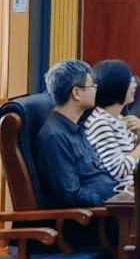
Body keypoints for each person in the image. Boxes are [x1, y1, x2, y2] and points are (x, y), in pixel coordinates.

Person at [36, 59, 117, 208]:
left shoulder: (77, 127)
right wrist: (110, 203)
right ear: (77, 93)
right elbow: (71, 196)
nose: (95, 90)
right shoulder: (54, 137)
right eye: (92, 86)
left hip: (112, 206)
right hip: (96, 216)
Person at [83, 60, 140, 186]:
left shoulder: (119, 119)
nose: (135, 85)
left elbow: (138, 161)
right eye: (130, 80)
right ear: (117, 86)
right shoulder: (101, 124)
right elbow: (120, 171)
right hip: (118, 194)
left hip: (133, 188)